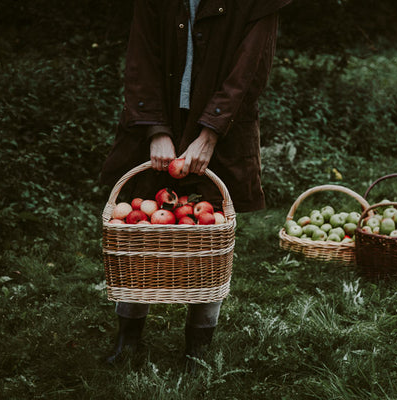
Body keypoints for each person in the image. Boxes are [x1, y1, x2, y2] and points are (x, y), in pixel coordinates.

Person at [100, 0, 291, 369]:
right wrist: (155, 129)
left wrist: (210, 134)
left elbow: (249, 69)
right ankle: (129, 337)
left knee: (209, 237)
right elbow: (141, 58)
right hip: (158, 117)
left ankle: (198, 344)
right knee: (138, 230)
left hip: (223, 124)